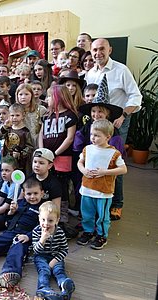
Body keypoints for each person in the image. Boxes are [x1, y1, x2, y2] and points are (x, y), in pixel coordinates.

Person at [86, 39, 142, 220]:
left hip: (117, 122)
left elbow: (136, 96)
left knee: (114, 162)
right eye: (94, 49)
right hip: (97, 123)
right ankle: (97, 199)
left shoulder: (121, 70)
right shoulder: (90, 73)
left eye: (102, 49)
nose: (98, 53)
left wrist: (123, 116)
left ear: (110, 50)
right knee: (96, 159)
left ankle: (117, 204)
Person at [77, 119, 127, 249]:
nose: (93, 138)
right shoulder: (87, 149)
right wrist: (83, 170)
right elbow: (80, 162)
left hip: (103, 192)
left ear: (108, 137)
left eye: (97, 135)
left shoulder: (114, 153)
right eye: (92, 134)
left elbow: (123, 169)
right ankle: (88, 231)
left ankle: (101, 235)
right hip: (87, 188)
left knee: (103, 216)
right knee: (86, 213)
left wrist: (105, 172)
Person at [39, 85, 79, 238]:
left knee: (61, 187)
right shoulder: (46, 115)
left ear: (58, 97)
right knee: (46, 183)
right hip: (46, 157)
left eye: (49, 96)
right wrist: (42, 152)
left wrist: (54, 154)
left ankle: (61, 217)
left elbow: (69, 138)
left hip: (62, 158)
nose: (47, 99)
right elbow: (41, 134)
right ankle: (46, 214)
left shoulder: (70, 116)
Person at [32, 201, 75, 299]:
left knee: (58, 271)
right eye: (43, 220)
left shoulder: (59, 232)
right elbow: (36, 251)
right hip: (41, 256)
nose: (46, 223)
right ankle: (44, 289)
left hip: (56, 256)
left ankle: (64, 286)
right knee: (44, 271)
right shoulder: (36, 231)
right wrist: (42, 239)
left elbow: (64, 249)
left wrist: (54, 261)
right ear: (39, 218)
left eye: (50, 221)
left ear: (57, 220)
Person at [0, 103, 33, 172]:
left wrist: (21, 154)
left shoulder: (25, 131)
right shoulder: (8, 129)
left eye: (17, 115)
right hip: (7, 160)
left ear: (23, 116)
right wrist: (4, 127)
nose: (14, 117)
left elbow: (30, 147)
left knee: (18, 178)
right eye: (12, 115)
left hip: (19, 164)